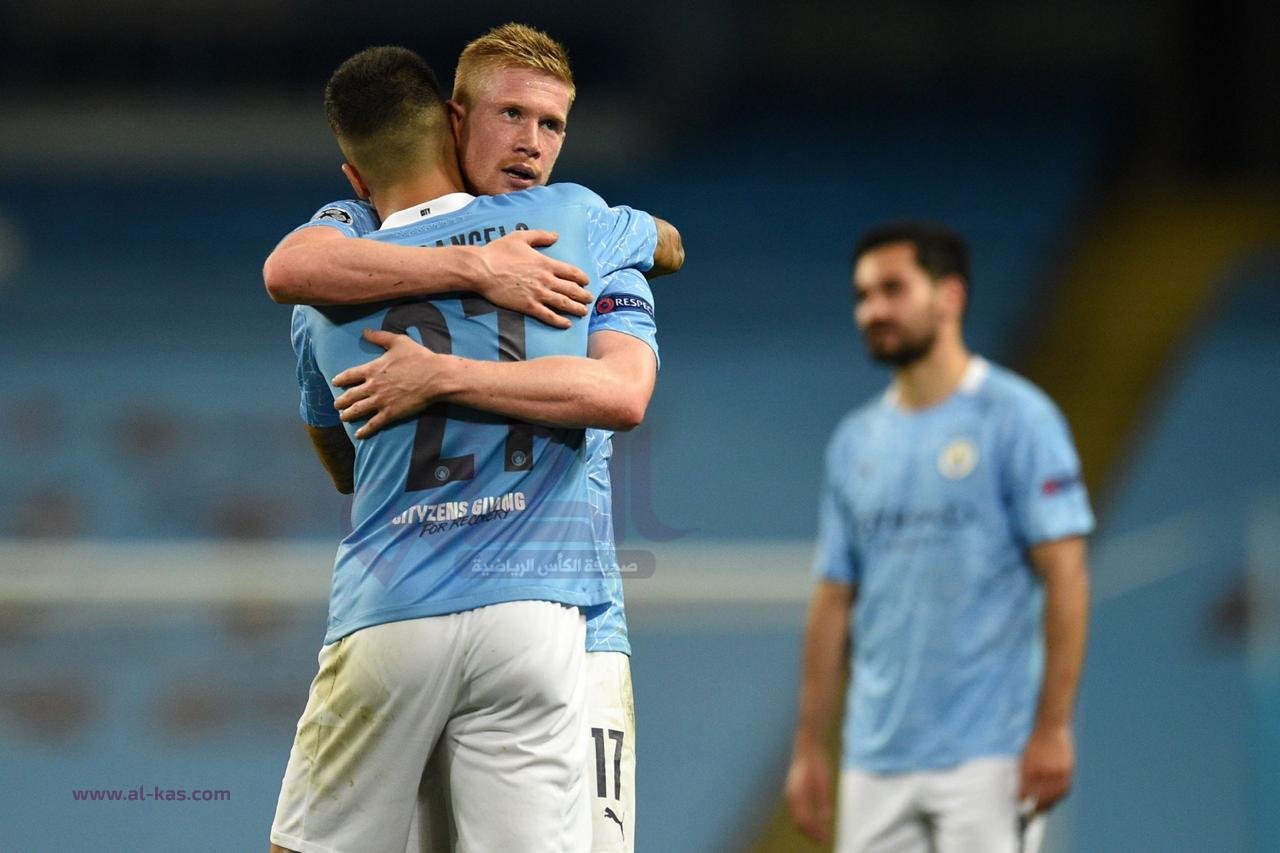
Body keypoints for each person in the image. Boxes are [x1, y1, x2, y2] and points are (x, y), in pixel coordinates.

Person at [265, 24, 672, 852]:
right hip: (532, 611)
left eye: (552, 125)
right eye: (511, 115)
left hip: (569, 618)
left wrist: (442, 377)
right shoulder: (573, 226)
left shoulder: (579, 234)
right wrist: (480, 266)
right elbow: (667, 239)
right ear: (454, 121)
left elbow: (627, 382)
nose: (531, 143)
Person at [784, 221, 1093, 853]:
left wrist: (1054, 728)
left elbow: (1066, 574)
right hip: (874, 760)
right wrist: (809, 746)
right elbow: (833, 599)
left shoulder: (1018, 418)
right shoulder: (854, 441)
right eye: (862, 296)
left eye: (892, 289)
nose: (872, 310)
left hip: (990, 756)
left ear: (950, 296)